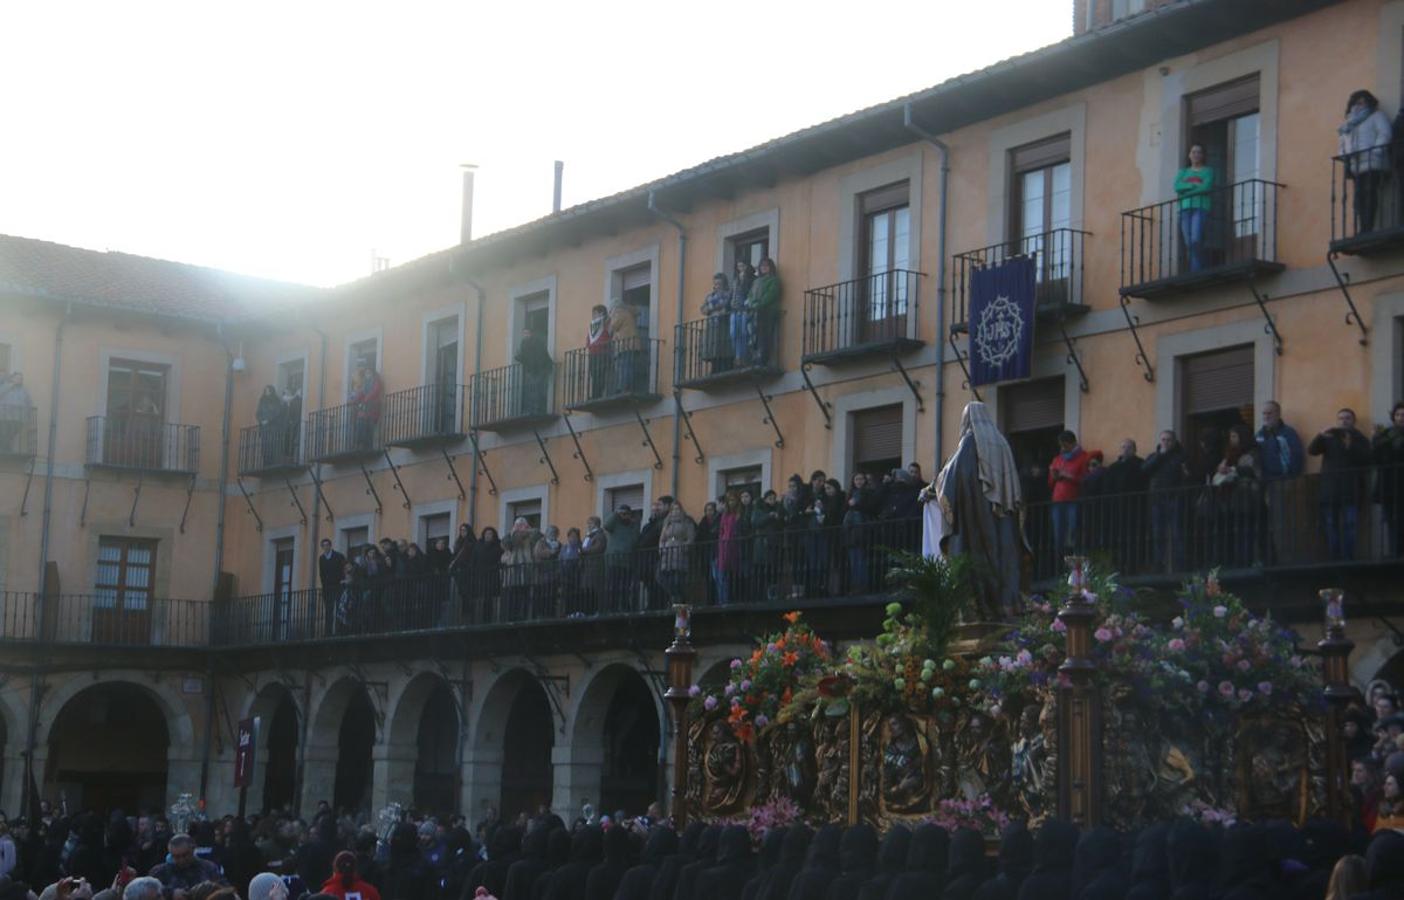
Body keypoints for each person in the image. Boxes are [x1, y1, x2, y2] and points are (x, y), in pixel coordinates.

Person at [922, 401, 1029, 620]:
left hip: (976, 518)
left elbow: (953, 475)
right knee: (1003, 558)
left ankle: (980, 610)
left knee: (975, 561)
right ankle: (1006, 605)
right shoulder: (1001, 443)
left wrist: (932, 489)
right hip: (1003, 517)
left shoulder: (970, 442)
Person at [1309, 407, 1373, 561]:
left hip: (1352, 490)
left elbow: (1368, 459)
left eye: (1347, 418)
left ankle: (1348, 557)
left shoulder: (1360, 438)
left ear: (1353, 421)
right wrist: (1319, 435)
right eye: (1341, 418)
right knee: (1331, 527)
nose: (1344, 421)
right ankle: (1334, 557)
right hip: (1330, 491)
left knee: (1350, 526)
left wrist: (1350, 446)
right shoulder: (1329, 436)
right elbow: (1312, 450)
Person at [1340, 89, 1395, 236]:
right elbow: (1343, 141)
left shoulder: (1377, 116)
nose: (1360, 105)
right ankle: (1362, 227)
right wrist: (1344, 155)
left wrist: (1376, 151)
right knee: (1358, 200)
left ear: (1369, 102)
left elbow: (1385, 133)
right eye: (1357, 102)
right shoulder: (1349, 123)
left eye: (1363, 101)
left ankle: (1367, 228)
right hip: (1356, 166)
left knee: (1369, 194)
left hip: (1373, 162)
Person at [1256, 401, 1305, 561]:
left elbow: (1297, 457)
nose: (1266, 416)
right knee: (1267, 524)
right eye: (1264, 413)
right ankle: (1270, 558)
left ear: (1278, 414)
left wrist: (1290, 476)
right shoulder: (1259, 435)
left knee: (1283, 522)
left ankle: (1286, 558)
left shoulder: (1288, 433)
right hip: (1264, 486)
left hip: (1283, 483)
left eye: (1269, 413)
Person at [1143, 430, 1188, 574]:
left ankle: (1179, 565)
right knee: (1158, 533)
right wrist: (1160, 456)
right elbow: (1144, 470)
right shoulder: (1154, 456)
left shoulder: (1181, 456)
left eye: (1168, 440)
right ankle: (1159, 564)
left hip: (1175, 497)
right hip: (1157, 499)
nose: (1165, 442)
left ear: (1174, 441)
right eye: (1163, 439)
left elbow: (1187, 474)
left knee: (1177, 532)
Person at [1103, 438, 1148, 573]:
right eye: (1123, 447)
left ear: (1134, 449)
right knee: (1118, 538)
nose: (1125, 450)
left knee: (1134, 537)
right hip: (1117, 509)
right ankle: (1119, 566)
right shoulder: (1113, 467)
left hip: (1135, 507)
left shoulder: (1141, 464)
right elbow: (1107, 488)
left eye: (1128, 447)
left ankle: (1133, 566)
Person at [1047, 430, 1091, 562]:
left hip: (1073, 500)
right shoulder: (1057, 459)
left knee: (1073, 531)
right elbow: (1050, 483)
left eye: (1065, 445)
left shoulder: (1084, 457)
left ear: (1072, 443)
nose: (1062, 448)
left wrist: (1068, 476)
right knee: (1058, 533)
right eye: (1061, 445)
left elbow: (1085, 479)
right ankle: (1059, 562)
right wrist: (1053, 476)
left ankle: (1075, 561)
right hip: (1057, 500)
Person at [1174, 144, 1215, 273]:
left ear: (1202, 156)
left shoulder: (1208, 171)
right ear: (1189, 155)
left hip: (1200, 207)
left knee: (1196, 239)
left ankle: (1197, 270)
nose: (1196, 155)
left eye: (1199, 152)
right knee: (1188, 242)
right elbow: (1177, 187)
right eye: (1193, 152)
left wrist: (1186, 191)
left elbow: (1206, 187)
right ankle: (1195, 268)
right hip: (1184, 209)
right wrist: (1195, 186)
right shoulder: (1183, 172)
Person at [149, 835, 226, 898]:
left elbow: (226, 890)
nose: (182, 860)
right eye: (176, 857)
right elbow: (147, 892)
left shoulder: (209, 868)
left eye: (185, 855)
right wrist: (171, 894)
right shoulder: (160, 871)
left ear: (193, 849)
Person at [1376, 402, 1404, 558]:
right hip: (1389, 486)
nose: (1401, 418)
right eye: (1398, 415)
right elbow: (1375, 457)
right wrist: (1377, 438)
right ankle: (1395, 552)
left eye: (1403, 415)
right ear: (1393, 417)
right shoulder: (1385, 435)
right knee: (1392, 521)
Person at [501, 517, 540, 621]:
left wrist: (521, 533)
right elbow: (507, 543)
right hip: (513, 572)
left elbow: (536, 534)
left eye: (522, 525)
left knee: (527, 596)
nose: (520, 527)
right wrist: (516, 534)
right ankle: (513, 617)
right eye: (517, 525)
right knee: (514, 598)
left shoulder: (532, 534)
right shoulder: (509, 536)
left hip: (528, 570)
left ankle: (526, 617)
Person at [602, 505, 639, 614]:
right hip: (613, 560)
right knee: (612, 585)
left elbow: (635, 539)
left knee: (625, 586)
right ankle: (611, 607)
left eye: (626, 514)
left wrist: (633, 521)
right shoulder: (615, 523)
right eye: (622, 514)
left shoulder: (633, 526)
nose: (624, 516)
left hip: (627, 561)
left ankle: (624, 606)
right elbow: (606, 525)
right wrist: (615, 514)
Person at [656, 502, 695, 604]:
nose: (675, 511)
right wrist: (662, 549)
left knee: (677, 580)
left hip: (680, 554)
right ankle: (673, 598)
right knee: (663, 578)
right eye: (673, 509)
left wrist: (683, 547)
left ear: (681, 510)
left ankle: (679, 600)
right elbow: (662, 539)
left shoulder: (687, 522)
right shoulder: (667, 524)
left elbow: (690, 538)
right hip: (667, 555)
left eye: (677, 509)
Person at [745, 257, 781, 366]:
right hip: (755, 311)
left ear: (770, 267)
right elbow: (750, 295)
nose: (763, 268)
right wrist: (751, 303)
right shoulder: (756, 281)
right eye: (762, 266)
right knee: (753, 335)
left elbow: (770, 295)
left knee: (764, 336)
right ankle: (754, 356)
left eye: (766, 266)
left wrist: (759, 304)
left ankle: (762, 358)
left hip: (767, 312)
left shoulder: (773, 280)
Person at [515, 328, 553, 416]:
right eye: (524, 333)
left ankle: (537, 409)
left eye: (527, 333)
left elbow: (540, 356)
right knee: (531, 390)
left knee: (536, 390)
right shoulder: (524, 343)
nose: (525, 335)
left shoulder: (536, 343)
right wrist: (518, 357)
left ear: (531, 334)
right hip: (531, 370)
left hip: (537, 370)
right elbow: (525, 357)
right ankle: (532, 409)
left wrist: (539, 368)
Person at [606, 300, 640, 396]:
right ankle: (626, 386)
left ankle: (624, 387)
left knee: (624, 366)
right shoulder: (626, 312)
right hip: (631, 344)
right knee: (628, 366)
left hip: (625, 345)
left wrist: (610, 318)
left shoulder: (618, 312)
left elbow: (614, 326)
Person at [701, 274, 733, 374]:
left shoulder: (728, 294)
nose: (717, 286)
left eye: (719, 283)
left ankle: (724, 366)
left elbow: (725, 305)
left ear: (724, 284)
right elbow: (703, 309)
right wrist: (712, 308)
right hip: (712, 324)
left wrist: (711, 308)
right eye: (715, 283)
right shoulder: (710, 296)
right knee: (713, 346)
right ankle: (715, 366)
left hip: (723, 324)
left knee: (723, 346)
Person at [469, 527, 502, 623]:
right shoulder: (478, 546)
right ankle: (477, 620)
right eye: (486, 533)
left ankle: (489, 619)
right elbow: (473, 560)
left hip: (492, 576)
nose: (488, 535)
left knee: (490, 598)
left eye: (490, 534)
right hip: (480, 576)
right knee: (479, 598)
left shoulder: (497, 546)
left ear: (493, 535)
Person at [317, 539, 346, 638]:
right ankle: (328, 632)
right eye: (323, 545)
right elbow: (322, 574)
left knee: (338, 609)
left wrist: (343, 580)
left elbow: (344, 569)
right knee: (328, 611)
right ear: (322, 547)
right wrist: (324, 586)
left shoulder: (338, 556)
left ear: (330, 546)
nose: (325, 547)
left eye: (327, 545)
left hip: (338, 586)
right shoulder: (321, 558)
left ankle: (339, 630)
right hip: (327, 588)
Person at [532, 525, 563, 618]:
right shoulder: (540, 542)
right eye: (550, 532)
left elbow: (561, 555)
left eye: (554, 532)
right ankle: (541, 615)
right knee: (542, 596)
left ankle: (551, 614)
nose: (552, 534)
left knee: (552, 596)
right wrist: (550, 552)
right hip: (541, 573)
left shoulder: (559, 544)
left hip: (554, 574)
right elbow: (538, 553)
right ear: (546, 533)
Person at [729, 260, 756, 368]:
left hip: (745, 309)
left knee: (744, 333)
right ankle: (737, 356)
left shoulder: (752, 279)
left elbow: (750, 293)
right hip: (734, 310)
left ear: (747, 266)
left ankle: (743, 357)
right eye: (738, 266)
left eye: (742, 265)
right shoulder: (735, 279)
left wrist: (744, 279)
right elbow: (732, 293)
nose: (740, 268)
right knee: (733, 334)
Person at [350, 366, 382, 451]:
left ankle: (368, 445)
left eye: (368, 373)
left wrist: (365, 400)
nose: (367, 375)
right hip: (366, 410)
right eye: (366, 373)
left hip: (373, 408)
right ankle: (360, 443)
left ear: (372, 373)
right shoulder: (366, 383)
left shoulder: (376, 381)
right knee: (360, 421)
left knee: (369, 427)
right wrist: (354, 401)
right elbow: (361, 393)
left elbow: (375, 391)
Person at [585, 305, 611, 400]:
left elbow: (609, 335)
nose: (593, 316)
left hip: (602, 353)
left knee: (600, 375)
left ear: (601, 313)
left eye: (595, 313)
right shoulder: (593, 326)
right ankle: (595, 395)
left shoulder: (607, 323)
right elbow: (589, 339)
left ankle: (598, 395)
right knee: (594, 375)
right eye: (593, 313)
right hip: (593, 354)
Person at [256, 385, 286, 467]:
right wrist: (261, 420)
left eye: (268, 390)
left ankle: (273, 463)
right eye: (265, 390)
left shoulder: (276, 401)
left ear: (271, 391)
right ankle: (266, 463)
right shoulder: (262, 401)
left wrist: (268, 420)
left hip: (273, 429)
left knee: (273, 447)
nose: (266, 392)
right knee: (265, 448)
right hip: (264, 430)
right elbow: (258, 413)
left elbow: (277, 412)